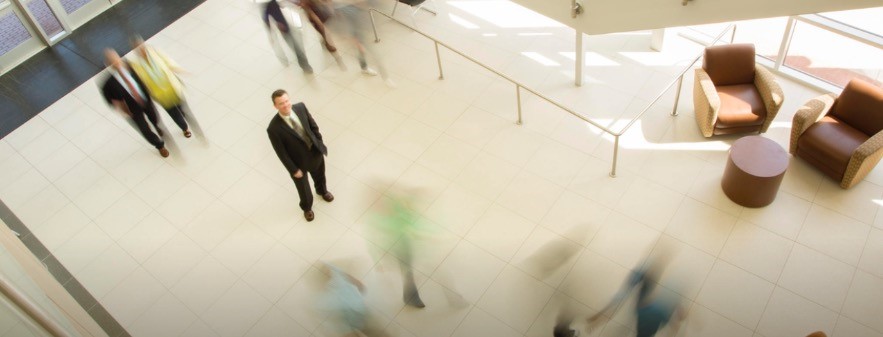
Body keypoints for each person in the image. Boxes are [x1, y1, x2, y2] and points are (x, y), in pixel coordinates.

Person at [267, 89, 333, 221]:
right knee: (303, 189)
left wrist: (319, 143)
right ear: (275, 106)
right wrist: (293, 169)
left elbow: (313, 126)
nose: (285, 105)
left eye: (286, 101)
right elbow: (281, 153)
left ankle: (322, 191)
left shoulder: (300, 107)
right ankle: (307, 207)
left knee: (320, 175)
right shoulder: (273, 128)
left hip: (314, 152)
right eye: (281, 103)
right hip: (297, 162)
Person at [100, 48, 169, 158]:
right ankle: (159, 145)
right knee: (144, 129)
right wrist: (121, 108)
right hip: (131, 109)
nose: (117, 62)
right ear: (108, 64)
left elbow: (145, 79)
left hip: (145, 100)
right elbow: (110, 100)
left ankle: (156, 126)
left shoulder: (133, 67)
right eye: (112, 61)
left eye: (117, 59)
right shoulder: (107, 84)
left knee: (154, 117)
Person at [129, 36, 194, 138]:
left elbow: (168, 62)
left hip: (172, 87)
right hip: (160, 94)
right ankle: (184, 128)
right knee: (174, 113)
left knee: (181, 108)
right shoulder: (136, 65)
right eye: (139, 49)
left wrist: (181, 70)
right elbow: (141, 82)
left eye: (142, 47)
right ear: (136, 51)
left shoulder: (155, 53)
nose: (142, 50)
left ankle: (184, 119)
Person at [263, 0, 314, 73]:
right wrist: (275, 27)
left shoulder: (272, 3)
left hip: (288, 26)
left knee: (297, 47)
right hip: (285, 29)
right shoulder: (269, 5)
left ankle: (304, 65)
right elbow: (266, 19)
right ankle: (305, 66)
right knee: (297, 47)